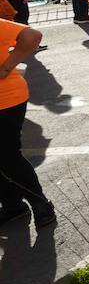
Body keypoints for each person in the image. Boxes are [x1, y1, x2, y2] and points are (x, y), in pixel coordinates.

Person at [0, 16, 52, 228]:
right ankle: (12, 205)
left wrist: (6, 68)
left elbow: (32, 36)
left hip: (6, 99)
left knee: (8, 155)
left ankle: (40, 203)